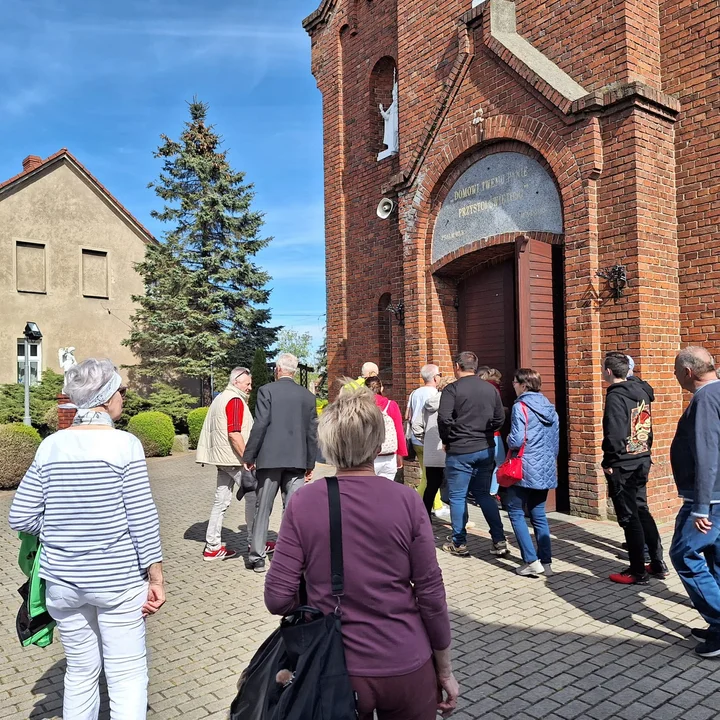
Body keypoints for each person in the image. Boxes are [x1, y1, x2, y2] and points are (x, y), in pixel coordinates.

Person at [264, 386, 459, 720]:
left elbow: (277, 599)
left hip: (331, 667)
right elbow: (430, 594)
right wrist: (443, 668)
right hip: (404, 661)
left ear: (327, 444)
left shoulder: (304, 502)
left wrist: (317, 597)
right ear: (378, 441)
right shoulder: (407, 501)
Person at [9, 358, 164, 720]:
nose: (123, 397)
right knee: (126, 674)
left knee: (79, 673)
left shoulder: (51, 447)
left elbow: (20, 516)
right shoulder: (125, 445)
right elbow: (142, 519)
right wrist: (156, 577)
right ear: (107, 396)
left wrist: (62, 533)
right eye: (121, 390)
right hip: (118, 581)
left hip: (62, 582)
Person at [243, 353, 318, 573]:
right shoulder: (307, 396)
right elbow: (312, 433)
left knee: (263, 508)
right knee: (294, 510)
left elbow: (260, 425)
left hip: (270, 459)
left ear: (277, 369)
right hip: (297, 459)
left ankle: (257, 557)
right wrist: (310, 463)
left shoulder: (267, 391)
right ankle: (290, 557)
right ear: (294, 372)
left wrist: (249, 455)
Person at [669, 346, 720, 658]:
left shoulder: (704, 398)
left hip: (709, 499)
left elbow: (707, 452)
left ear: (688, 372)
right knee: (715, 558)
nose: (675, 376)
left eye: (675, 371)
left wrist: (701, 504)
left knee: (684, 554)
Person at [601, 352, 666, 584]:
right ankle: (657, 563)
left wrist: (608, 461)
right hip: (641, 457)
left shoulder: (615, 396)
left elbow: (614, 432)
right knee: (642, 509)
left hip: (623, 463)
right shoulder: (641, 390)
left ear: (608, 371)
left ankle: (637, 571)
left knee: (629, 517)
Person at [438, 351, 508, 557]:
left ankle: (459, 542)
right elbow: (499, 417)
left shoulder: (452, 389)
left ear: (457, 367)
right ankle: (499, 539)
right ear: (475, 367)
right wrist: (486, 432)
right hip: (485, 447)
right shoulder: (490, 389)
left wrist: (448, 439)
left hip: (460, 449)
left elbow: (444, 419)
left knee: (458, 496)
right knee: (484, 495)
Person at [196, 366, 258, 562]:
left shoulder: (220, 398)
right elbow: (234, 433)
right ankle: (255, 542)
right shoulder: (235, 400)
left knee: (220, 501)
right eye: (247, 383)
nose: (250, 387)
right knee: (253, 496)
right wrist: (248, 458)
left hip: (222, 459)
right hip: (235, 459)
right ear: (236, 382)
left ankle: (212, 547)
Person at [505, 369, 560, 577]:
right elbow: (555, 442)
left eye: (515, 381)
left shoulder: (520, 406)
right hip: (545, 466)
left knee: (515, 511)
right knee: (538, 514)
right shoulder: (550, 407)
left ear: (524, 385)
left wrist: (508, 439)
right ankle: (546, 561)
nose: (513, 384)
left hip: (525, 466)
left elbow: (517, 440)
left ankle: (530, 560)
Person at [413, 376, 454, 518]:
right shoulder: (454, 403)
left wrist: (426, 440)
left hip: (431, 451)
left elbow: (416, 425)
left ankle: (424, 519)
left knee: (431, 487)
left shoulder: (428, 403)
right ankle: (459, 522)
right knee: (455, 489)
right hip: (449, 450)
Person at [405, 364, 444, 511]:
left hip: (416, 438)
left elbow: (407, 415)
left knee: (429, 475)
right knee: (429, 477)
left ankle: (436, 504)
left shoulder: (414, 393)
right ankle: (416, 505)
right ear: (435, 377)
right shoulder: (436, 394)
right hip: (430, 439)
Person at [364, 376, 408, 480]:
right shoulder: (391, 405)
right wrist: (400, 455)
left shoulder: (362, 406)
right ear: (381, 388)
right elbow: (399, 431)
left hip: (369, 457)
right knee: (387, 492)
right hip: (389, 455)